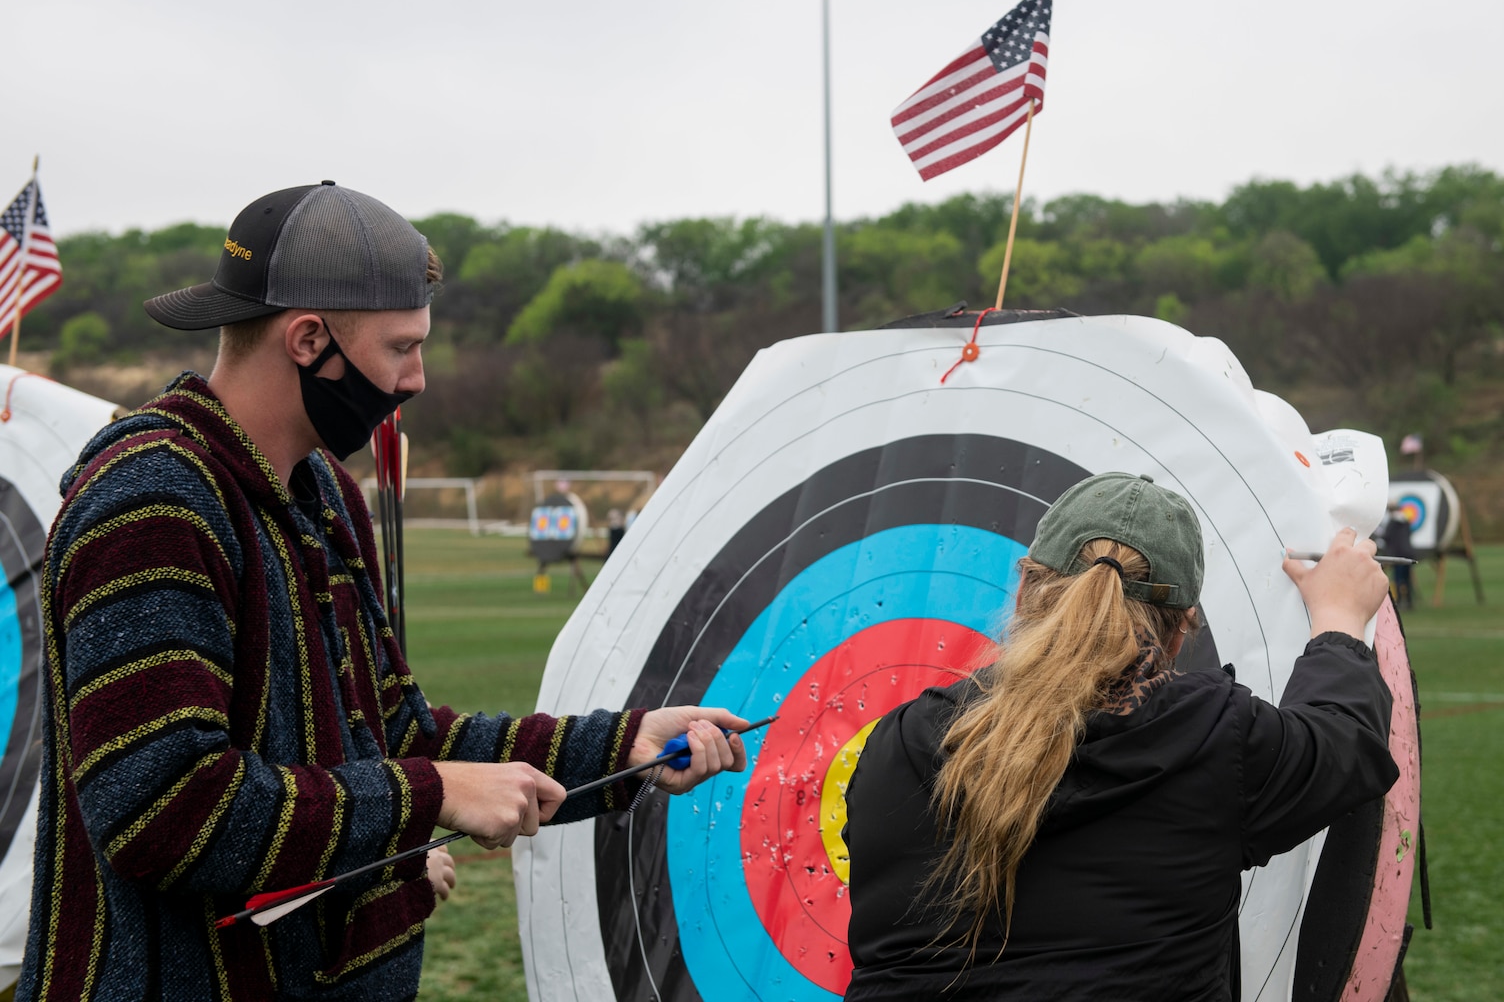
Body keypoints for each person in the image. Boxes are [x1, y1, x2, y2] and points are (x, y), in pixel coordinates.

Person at [17, 182, 749, 1001]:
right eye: (402, 347)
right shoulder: (151, 498)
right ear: (307, 340)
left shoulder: (322, 492)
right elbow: (163, 811)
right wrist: (431, 794)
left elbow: (398, 733)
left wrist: (624, 749)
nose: (419, 378)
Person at [842, 472, 1398, 1001]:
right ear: (1181, 631)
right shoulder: (1213, 737)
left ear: (1025, 590)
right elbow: (1345, 743)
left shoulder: (898, 742)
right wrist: (1339, 619)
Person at [1381, 502, 1417, 610]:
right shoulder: (1406, 520)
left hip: (1398, 554)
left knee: (1398, 579)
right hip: (1408, 553)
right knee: (1406, 579)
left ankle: (1400, 602)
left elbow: (1386, 536)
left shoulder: (1392, 522)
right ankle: (1409, 602)